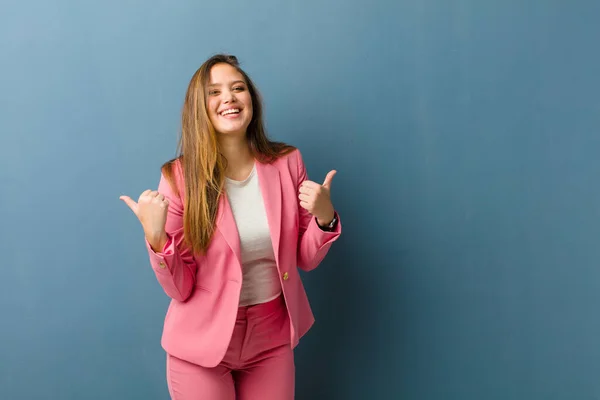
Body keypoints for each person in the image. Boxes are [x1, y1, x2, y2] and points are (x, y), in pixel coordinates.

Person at [120, 54, 342, 400]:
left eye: (238, 88)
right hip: (202, 343)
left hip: (272, 338)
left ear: (251, 100)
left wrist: (324, 217)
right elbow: (180, 289)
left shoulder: (287, 162)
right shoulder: (178, 178)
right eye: (215, 92)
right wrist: (156, 237)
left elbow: (305, 258)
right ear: (200, 107)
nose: (230, 98)